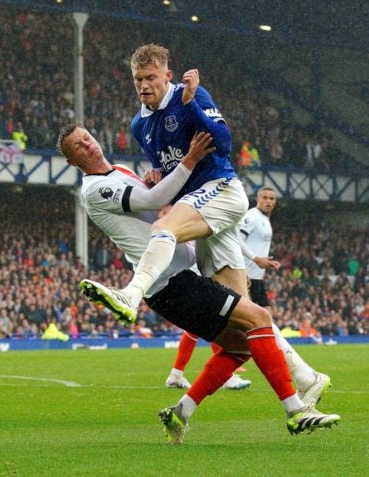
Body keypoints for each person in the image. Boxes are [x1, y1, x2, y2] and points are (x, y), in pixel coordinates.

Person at [57, 123, 339, 443]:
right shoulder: (95, 189)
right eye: (79, 147)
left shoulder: (118, 170)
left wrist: (159, 180)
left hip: (175, 282)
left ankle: (181, 412)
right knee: (260, 318)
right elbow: (151, 201)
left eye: (87, 138)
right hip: (173, 284)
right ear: (72, 161)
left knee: (239, 347)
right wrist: (188, 161)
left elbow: (153, 202)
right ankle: (296, 411)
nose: (89, 145)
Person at [79, 44, 329, 404]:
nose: (144, 85)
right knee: (248, 314)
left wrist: (193, 103)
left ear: (167, 75)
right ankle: (307, 377)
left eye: (151, 77)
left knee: (162, 230)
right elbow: (170, 167)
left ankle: (131, 295)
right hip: (199, 206)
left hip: (221, 191)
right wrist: (157, 174)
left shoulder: (189, 96)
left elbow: (224, 144)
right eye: (138, 79)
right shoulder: (140, 124)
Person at [239, 186, 282, 311]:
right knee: (256, 320)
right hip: (245, 277)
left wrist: (265, 262)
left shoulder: (265, 220)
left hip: (256, 279)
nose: (268, 201)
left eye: (271, 198)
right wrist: (256, 259)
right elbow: (236, 240)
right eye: (265, 198)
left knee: (266, 318)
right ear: (258, 199)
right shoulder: (252, 216)